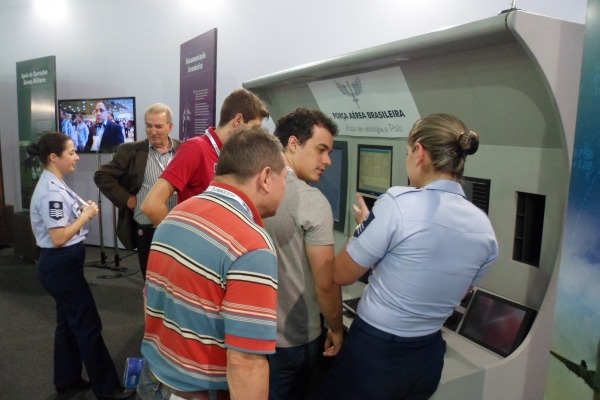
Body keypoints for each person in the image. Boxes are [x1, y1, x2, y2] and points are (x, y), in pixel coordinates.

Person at [316, 113, 499, 400]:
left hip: (375, 355)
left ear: (420, 152)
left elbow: (340, 274)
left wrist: (364, 226)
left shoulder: (397, 203)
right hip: (426, 358)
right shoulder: (484, 227)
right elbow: (461, 291)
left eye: (407, 152)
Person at [137, 126, 288, 400]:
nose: (285, 187)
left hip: (151, 381)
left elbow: (150, 302)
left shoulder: (176, 214)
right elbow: (247, 363)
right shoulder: (251, 244)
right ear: (266, 177)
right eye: (285, 178)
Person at [27, 132, 134, 400]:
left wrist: (80, 211)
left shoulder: (56, 183)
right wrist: (85, 216)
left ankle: (68, 380)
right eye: (72, 152)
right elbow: (59, 236)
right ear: (54, 157)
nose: (76, 157)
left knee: (67, 323)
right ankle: (108, 389)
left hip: (62, 265)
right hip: (60, 265)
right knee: (88, 325)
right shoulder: (51, 191)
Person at [264, 107, 343, 400]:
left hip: (250, 330)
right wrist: (336, 327)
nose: (328, 161)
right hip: (294, 338)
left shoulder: (251, 186)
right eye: (321, 150)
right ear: (294, 144)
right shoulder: (312, 201)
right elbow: (326, 281)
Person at [140, 88, 269, 226]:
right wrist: (182, 242)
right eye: (254, 128)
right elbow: (152, 205)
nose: (255, 135)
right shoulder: (195, 149)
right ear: (238, 120)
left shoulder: (232, 154)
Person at [94, 103, 181, 278]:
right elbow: (102, 175)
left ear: (170, 127)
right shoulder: (130, 151)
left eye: (158, 126)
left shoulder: (183, 150)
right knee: (152, 282)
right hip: (148, 230)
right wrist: (126, 199)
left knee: (179, 279)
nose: (153, 131)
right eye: (149, 126)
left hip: (179, 229)